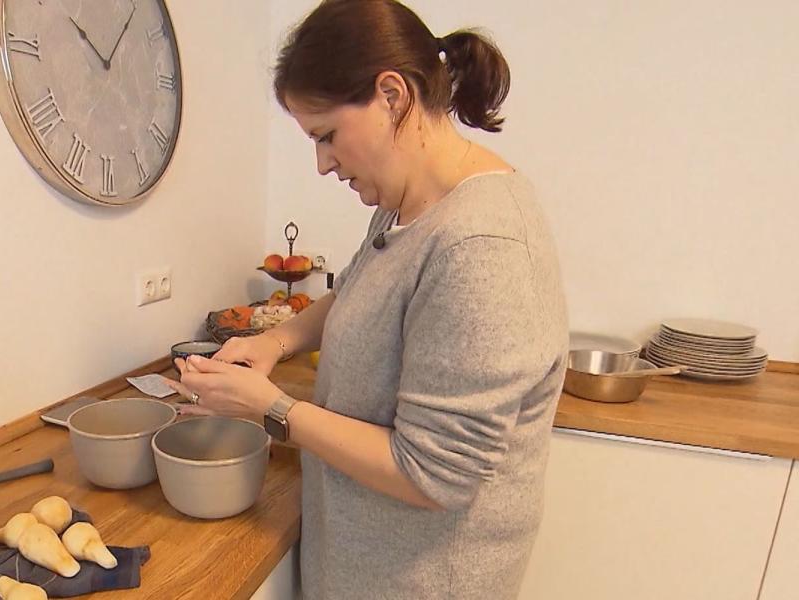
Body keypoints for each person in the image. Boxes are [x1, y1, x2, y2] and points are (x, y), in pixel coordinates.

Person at [162, 1, 568, 598]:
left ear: (392, 97)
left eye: (326, 136)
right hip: (364, 565)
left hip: (425, 580)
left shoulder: (483, 247)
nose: (323, 163)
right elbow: (359, 288)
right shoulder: (408, 203)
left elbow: (433, 476)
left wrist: (272, 408)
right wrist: (273, 342)